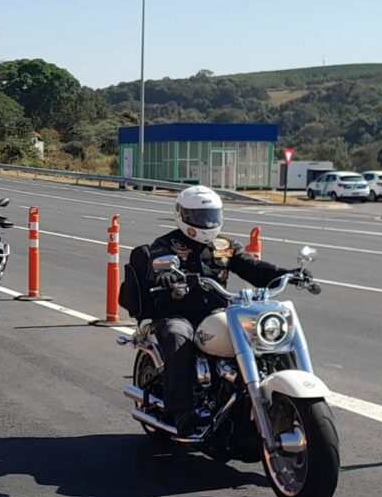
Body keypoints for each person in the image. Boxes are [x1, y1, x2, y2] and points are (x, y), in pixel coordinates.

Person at [126, 186, 300, 436]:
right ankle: (182, 411)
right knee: (178, 336)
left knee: (262, 333)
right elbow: (156, 266)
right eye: (199, 217)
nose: (206, 222)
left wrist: (287, 274)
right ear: (182, 216)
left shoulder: (225, 245)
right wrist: (164, 276)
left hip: (219, 313)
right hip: (178, 314)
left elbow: (252, 267)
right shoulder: (166, 244)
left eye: (210, 216)